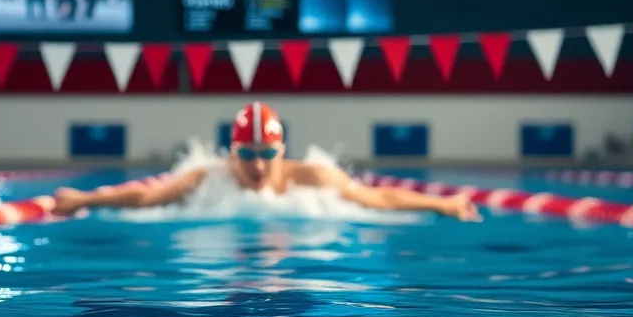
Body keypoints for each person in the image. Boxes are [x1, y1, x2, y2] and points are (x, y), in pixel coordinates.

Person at [54, 102, 482, 220]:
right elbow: (148, 199)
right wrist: (84, 200)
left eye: (266, 155)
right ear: (233, 153)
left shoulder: (310, 176)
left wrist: (441, 204)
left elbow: (374, 200)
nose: (257, 167)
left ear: (281, 152)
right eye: (247, 156)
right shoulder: (209, 178)